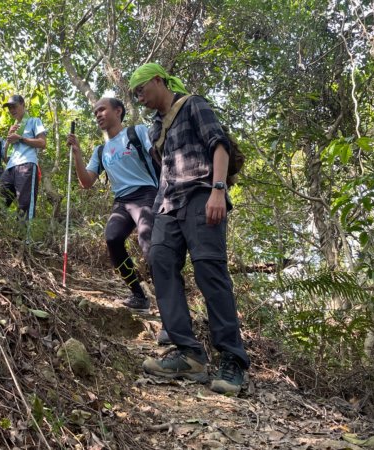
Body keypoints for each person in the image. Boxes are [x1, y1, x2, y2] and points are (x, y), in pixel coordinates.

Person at [129, 63, 250, 394]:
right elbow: (164, 170)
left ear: (158, 79)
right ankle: (189, 354)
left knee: (209, 271)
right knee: (159, 261)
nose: (138, 97)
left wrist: (218, 190)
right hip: (168, 205)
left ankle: (232, 360)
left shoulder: (193, 104)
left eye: (140, 89)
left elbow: (219, 144)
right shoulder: (155, 128)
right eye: (134, 94)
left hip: (202, 194)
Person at [66, 97, 157, 314]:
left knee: (150, 244)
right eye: (95, 112)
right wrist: (77, 153)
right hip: (122, 201)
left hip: (146, 194)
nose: (97, 114)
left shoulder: (137, 132)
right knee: (112, 239)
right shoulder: (101, 150)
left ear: (118, 111)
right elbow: (86, 182)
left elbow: (159, 154)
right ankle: (138, 295)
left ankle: (168, 305)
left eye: (102, 110)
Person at [0, 95, 46, 220]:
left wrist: (21, 138)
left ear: (23, 104)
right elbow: (5, 156)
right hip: (10, 167)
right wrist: (9, 137)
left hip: (27, 164)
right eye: (9, 108)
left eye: (14, 106)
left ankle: (24, 238)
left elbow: (42, 143)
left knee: (24, 205)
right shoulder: (14, 127)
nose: (12, 110)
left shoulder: (34, 121)